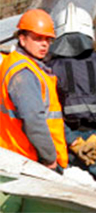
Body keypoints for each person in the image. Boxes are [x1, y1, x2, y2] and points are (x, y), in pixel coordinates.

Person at [47, 3, 96, 184]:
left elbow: (48, 112)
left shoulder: (48, 70)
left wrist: (74, 142)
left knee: (64, 195)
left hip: (65, 144)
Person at [0, 9, 67, 171]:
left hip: (16, 153)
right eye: (38, 38)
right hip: (27, 158)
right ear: (22, 39)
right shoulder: (24, 72)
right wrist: (49, 157)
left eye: (47, 39)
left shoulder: (15, 62)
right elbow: (33, 120)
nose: (44, 44)